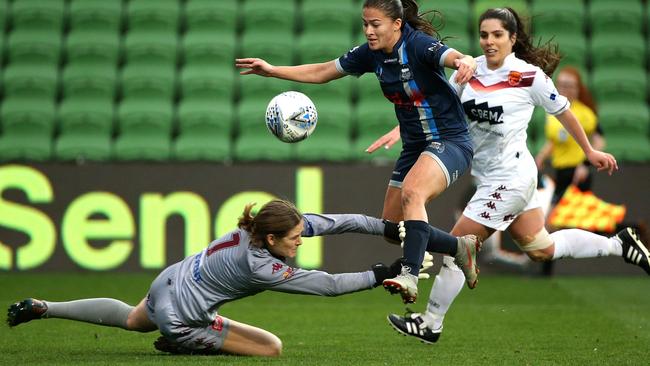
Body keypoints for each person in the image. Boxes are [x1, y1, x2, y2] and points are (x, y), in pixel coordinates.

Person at [367, 7, 648, 344]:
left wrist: (589, 151)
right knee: (541, 247)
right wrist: (400, 129)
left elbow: (565, 112)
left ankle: (431, 323)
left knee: (459, 248)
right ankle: (620, 244)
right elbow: (438, 108)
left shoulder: (530, 77)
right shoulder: (467, 72)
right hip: (492, 178)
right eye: (484, 34)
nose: (489, 41)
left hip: (511, 178)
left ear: (512, 39)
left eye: (497, 35)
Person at [236, 0, 482, 305]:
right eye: (365, 23)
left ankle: (409, 273)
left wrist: (466, 61)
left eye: (375, 24)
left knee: (412, 193)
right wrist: (272, 71)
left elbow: (452, 57)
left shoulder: (418, 45)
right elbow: (324, 70)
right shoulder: (371, 54)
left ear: (396, 24)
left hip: (450, 140)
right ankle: (460, 247)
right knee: (394, 229)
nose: (368, 30)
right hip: (415, 145)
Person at [6, 199, 432, 356]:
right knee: (271, 349)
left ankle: (46, 308)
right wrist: (382, 274)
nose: (302, 240)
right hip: (183, 317)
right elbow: (328, 286)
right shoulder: (262, 266)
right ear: (271, 238)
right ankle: (182, 343)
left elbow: (336, 222)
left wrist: (384, 229)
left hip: (167, 282)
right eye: (297, 238)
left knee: (133, 319)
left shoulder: (257, 228)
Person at [535, 65, 606, 205]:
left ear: (577, 88)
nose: (564, 89)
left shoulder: (586, 113)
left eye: (569, 85)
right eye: (561, 84)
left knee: (569, 216)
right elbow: (553, 140)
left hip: (577, 172)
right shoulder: (552, 112)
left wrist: (585, 165)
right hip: (560, 170)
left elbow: (599, 140)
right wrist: (541, 157)